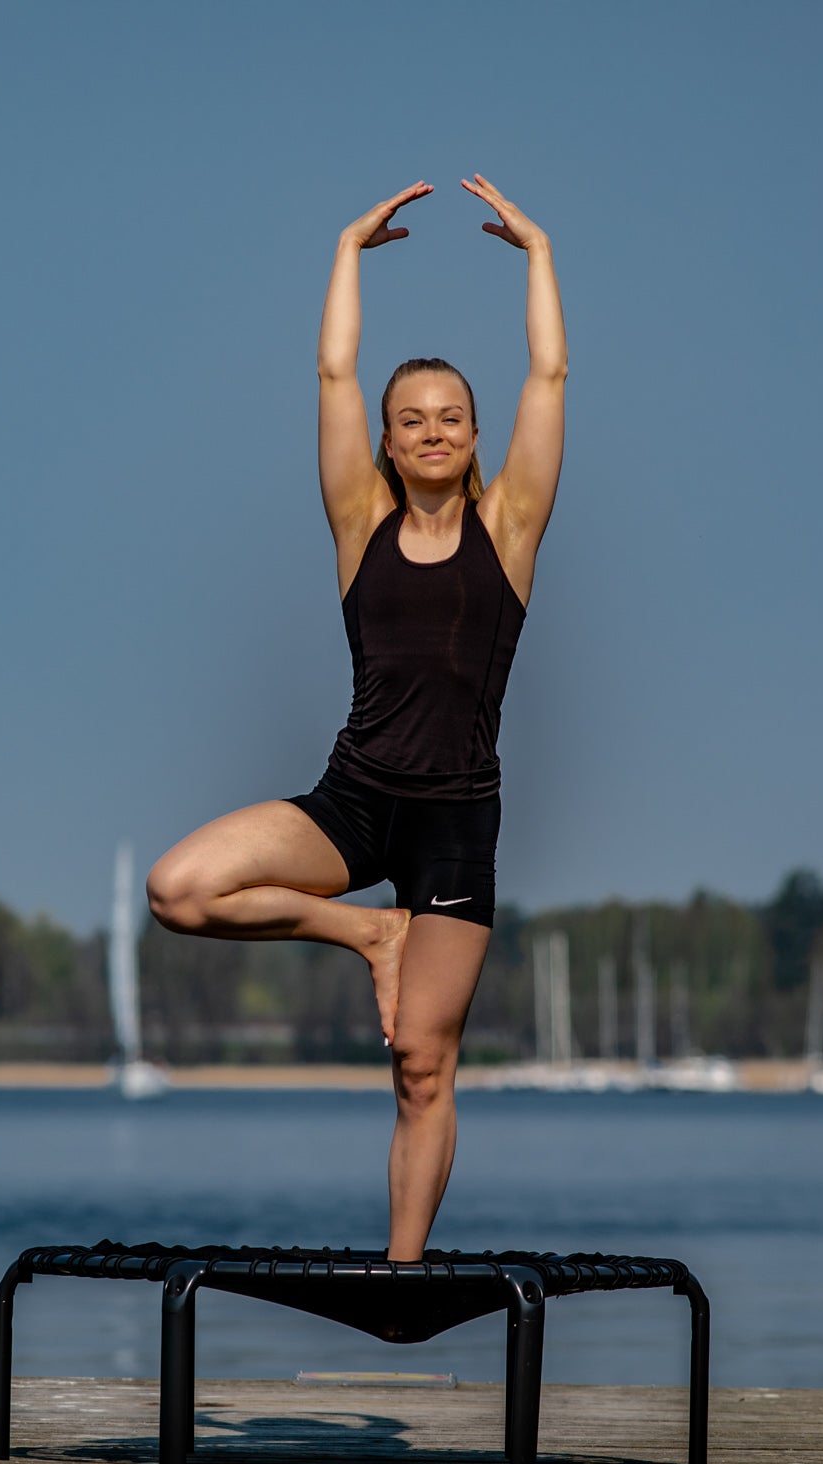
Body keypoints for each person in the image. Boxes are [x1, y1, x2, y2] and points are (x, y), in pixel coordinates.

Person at [145, 176, 566, 1262]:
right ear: (385, 441)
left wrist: (538, 253)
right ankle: (368, 933)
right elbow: (332, 370)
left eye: (452, 420)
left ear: (476, 438)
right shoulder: (357, 524)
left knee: (422, 1065)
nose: (433, 432)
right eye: (411, 420)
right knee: (180, 889)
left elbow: (551, 373)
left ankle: (402, 1272)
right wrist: (345, 247)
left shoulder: (509, 530)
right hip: (356, 798)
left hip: (458, 825)